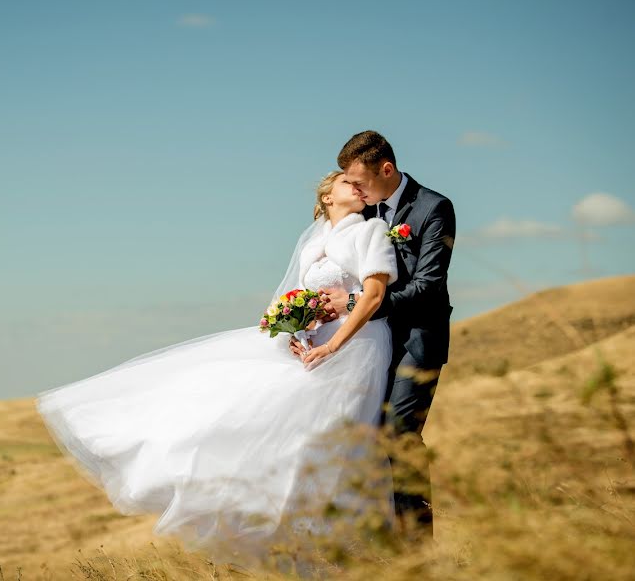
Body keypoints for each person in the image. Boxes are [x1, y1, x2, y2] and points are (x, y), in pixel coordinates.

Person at [35, 171, 399, 571]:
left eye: (362, 183)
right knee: (251, 416)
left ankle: (341, 548)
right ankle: (269, 529)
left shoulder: (372, 229)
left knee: (328, 441)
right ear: (328, 196)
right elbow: (298, 298)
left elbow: (375, 296)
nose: (359, 186)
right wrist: (298, 334)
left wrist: (334, 339)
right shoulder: (314, 241)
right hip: (317, 345)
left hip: (357, 345)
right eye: (349, 182)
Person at [293, 131, 455, 541]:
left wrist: (352, 303)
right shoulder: (361, 215)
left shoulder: (433, 208)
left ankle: (417, 549)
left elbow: (428, 286)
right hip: (364, 342)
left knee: (399, 434)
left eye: (360, 181)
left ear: (386, 169)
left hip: (415, 338)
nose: (355, 189)